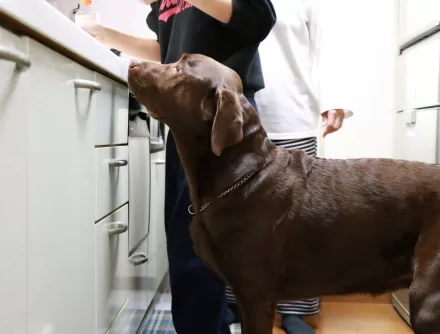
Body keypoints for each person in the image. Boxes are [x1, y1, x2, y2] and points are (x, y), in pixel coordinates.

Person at [80, 1, 276, 333]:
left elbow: (258, 17)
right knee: (187, 244)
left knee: (199, 251)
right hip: (188, 124)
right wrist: (104, 34)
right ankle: (214, 325)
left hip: (219, 118)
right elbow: (165, 48)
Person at [224, 0, 354, 333]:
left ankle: (296, 309)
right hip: (236, 115)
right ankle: (234, 301)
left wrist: (335, 100)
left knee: (299, 223)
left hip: (292, 115)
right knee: (235, 221)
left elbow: (329, 47)